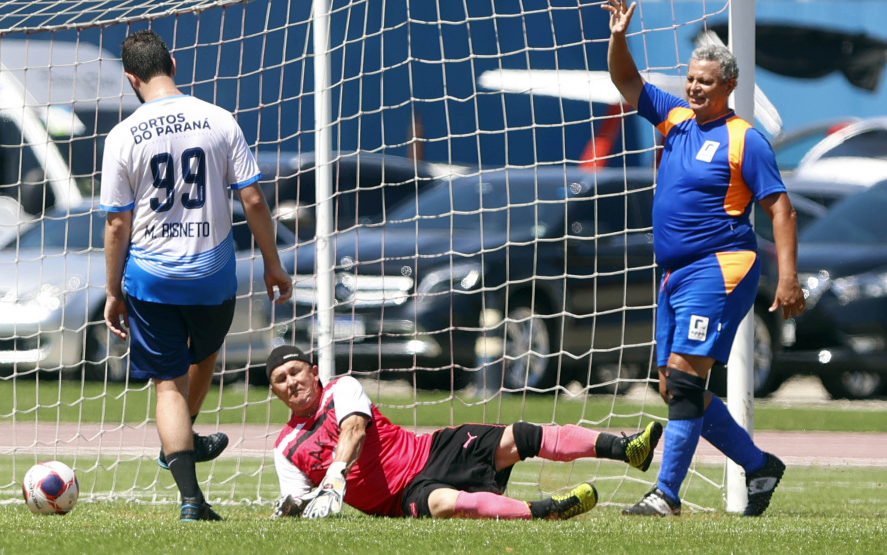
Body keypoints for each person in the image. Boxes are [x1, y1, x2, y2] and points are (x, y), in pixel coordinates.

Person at [602, 1, 805, 517]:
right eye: (691, 79)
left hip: (721, 267)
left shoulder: (745, 140)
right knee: (675, 386)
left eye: (705, 82)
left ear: (728, 87)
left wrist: (788, 278)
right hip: (674, 275)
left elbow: (780, 209)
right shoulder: (675, 120)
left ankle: (666, 495)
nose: (694, 88)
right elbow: (627, 82)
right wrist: (619, 36)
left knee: (689, 382)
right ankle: (758, 466)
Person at [101, 29, 293, 522]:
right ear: (174, 63)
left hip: (151, 277)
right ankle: (183, 438)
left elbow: (117, 222)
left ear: (130, 79)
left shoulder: (122, 135)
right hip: (212, 275)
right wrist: (273, 262)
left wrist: (112, 290)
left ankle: (189, 493)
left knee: (167, 382)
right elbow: (252, 198)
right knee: (204, 355)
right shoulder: (218, 118)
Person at [265, 344, 663, 520]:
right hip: (402, 497)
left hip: (431, 450)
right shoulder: (286, 448)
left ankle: (625, 449)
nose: (292, 382)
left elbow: (353, 428)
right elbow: (297, 502)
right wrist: (289, 510)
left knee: (519, 436)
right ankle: (544, 512)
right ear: (274, 390)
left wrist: (334, 476)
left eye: (296, 371)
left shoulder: (342, 389)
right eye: (281, 379)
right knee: (447, 504)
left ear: (314, 372)